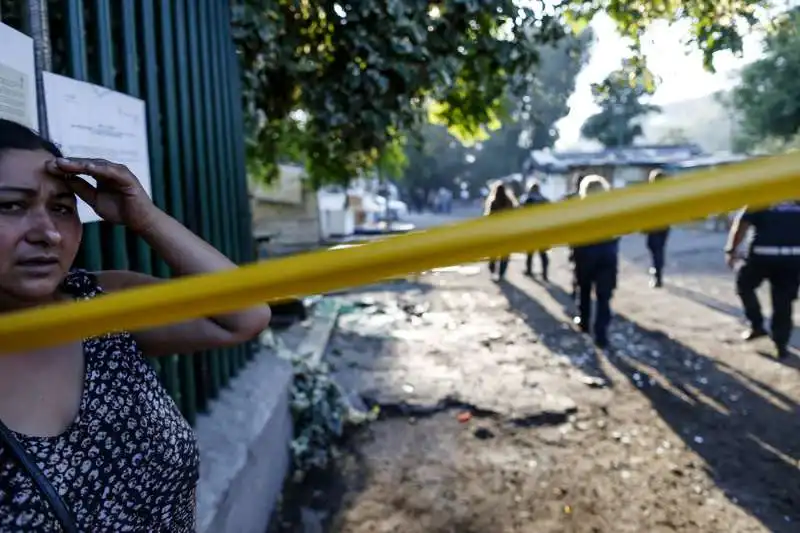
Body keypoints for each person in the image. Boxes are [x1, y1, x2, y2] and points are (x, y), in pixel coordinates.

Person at [0, 119, 272, 531]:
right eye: (11, 206)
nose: (49, 234)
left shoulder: (100, 305)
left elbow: (245, 315)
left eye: (61, 208)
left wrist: (145, 218)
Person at [725, 200, 800, 359]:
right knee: (783, 302)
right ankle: (781, 345)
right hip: (792, 258)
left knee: (744, 286)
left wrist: (731, 250)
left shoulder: (762, 196)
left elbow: (741, 225)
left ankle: (757, 325)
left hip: (761, 256)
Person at [570, 175, 619, 349]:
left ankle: (584, 322)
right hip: (607, 255)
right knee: (603, 296)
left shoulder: (579, 209)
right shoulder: (611, 208)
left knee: (584, 291)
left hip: (585, 255)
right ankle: (601, 334)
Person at [483, 180, 518, 281]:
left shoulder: (493, 202)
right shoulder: (510, 202)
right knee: (505, 254)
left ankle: (492, 268)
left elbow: (489, 217)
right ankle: (501, 273)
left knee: (493, 252)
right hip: (507, 232)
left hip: (495, 232)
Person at [644, 169, 670, 288]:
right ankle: (658, 272)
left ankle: (657, 275)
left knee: (655, 250)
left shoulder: (650, 193)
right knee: (659, 249)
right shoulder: (666, 192)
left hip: (653, 226)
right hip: (664, 226)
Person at [521, 181, 550, 281]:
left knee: (530, 252)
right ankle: (545, 273)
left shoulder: (527, 200)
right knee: (543, 253)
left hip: (531, 230)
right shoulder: (545, 200)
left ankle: (529, 271)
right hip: (542, 230)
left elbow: (522, 215)